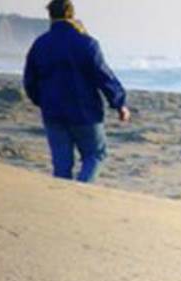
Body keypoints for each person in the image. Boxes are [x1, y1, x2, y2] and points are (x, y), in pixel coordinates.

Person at [22, 0, 130, 183]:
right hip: (84, 111)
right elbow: (103, 75)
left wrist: (42, 101)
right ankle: (82, 189)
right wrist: (119, 103)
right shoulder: (86, 43)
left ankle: (66, 199)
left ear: (50, 16)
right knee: (95, 154)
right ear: (71, 14)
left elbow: (29, 80)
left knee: (62, 165)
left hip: (53, 112)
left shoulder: (40, 44)